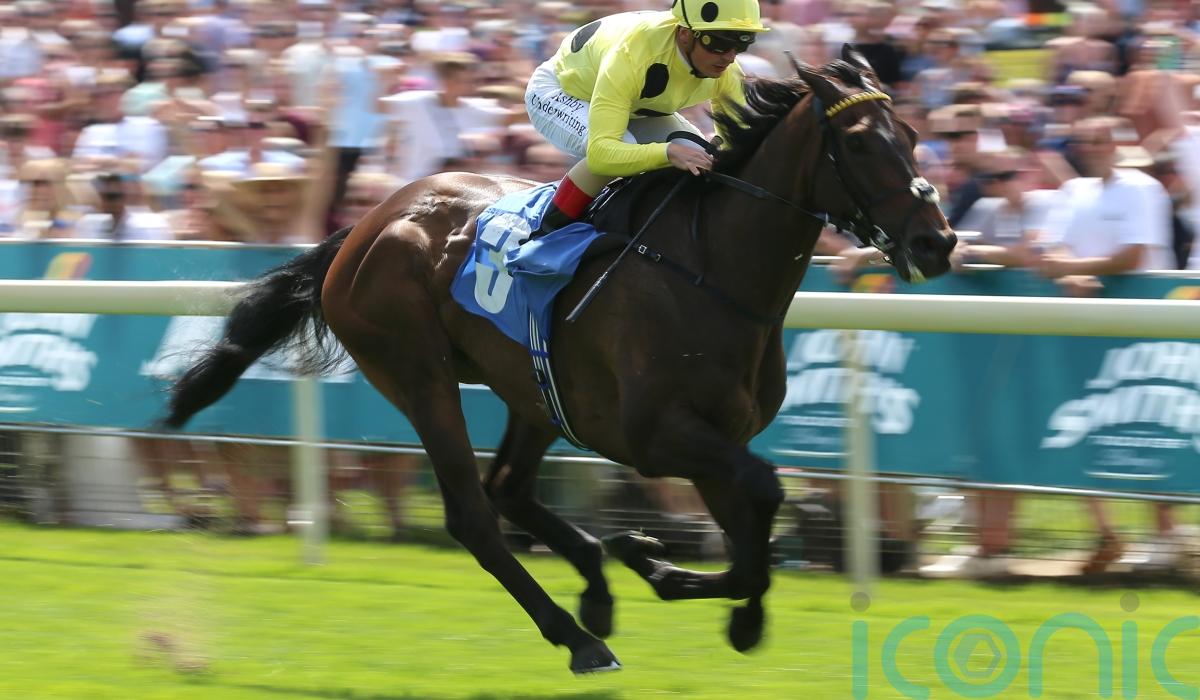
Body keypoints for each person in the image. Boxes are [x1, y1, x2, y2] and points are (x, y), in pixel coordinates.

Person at [523, 0, 769, 236]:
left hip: (631, 105)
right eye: (719, 43)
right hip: (560, 92)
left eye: (741, 44)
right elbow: (601, 155)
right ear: (685, 34)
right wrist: (668, 152)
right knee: (625, 148)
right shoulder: (632, 54)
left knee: (698, 157)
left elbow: (739, 147)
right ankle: (543, 235)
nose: (729, 57)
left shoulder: (728, 73)